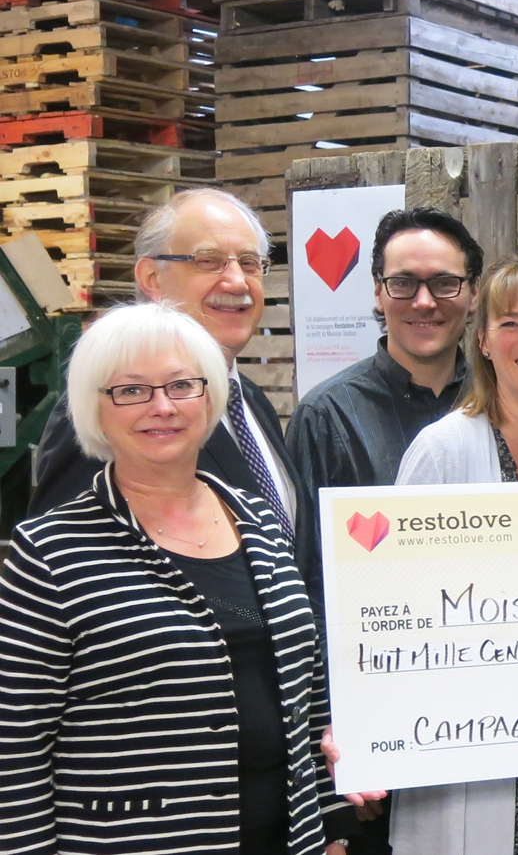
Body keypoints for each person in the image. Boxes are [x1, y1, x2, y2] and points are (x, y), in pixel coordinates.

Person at [0, 302, 354, 855]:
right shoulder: (50, 551)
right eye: (131, 390)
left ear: (209, 396)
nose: (161, 406)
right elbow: (13, 746)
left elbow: (307, 696)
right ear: (94, 409)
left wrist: (331, 825)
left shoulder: (259, 521)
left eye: (181, 385)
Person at [287, 206, 482, 853]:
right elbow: (305, 590)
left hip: (486, 713)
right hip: (371, 732)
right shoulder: (326, 416)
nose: (424, 301)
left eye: (445, 283)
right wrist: (327, 750)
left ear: (472, 292)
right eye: (403, 283)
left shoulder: (508, 403)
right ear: (377, 291)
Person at [390, 257, 518, 855]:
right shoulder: (442, 452)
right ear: (481, 341)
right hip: (475, 754)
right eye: (509, 323)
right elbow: (396, 610)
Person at [27, 190, 303, 592]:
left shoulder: (253, 403)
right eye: (208, 261)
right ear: (151, 278)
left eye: (250, 263)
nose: (237, 281)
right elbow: (64, 569)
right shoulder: (116, 410)